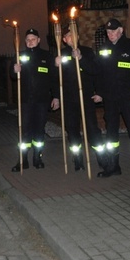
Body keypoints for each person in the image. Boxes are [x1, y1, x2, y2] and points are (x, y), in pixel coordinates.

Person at [92, 18, 130, 179]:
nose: (110, 34)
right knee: (111, 134)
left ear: (121, 31)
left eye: (114, 31)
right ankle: (113, 166)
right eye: (108, 32)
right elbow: (99, 73)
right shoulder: (103, 48)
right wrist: (99, 92)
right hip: (111, 98)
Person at [10, 28, 59, 172]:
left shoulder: (46, 56)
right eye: (28, 40)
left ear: (38, 40)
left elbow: (54, 79)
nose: (30, 42)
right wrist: (15, 70)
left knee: (39, 130)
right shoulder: (20, 55)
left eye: (33, 39)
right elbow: (12, 76)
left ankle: (37, 158)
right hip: (26, 100)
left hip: (42, 100)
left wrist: (56, 96)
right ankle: (23, 160)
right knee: (25, 130)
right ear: (25, 42)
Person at [54, 25, 101, 172]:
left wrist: (80, 58)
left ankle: (102, 157)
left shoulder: (87, 51)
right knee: (72, 130)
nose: (71, 38)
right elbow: (55, 79)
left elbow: (95, 71)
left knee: (92, 129)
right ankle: (78, 158)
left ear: (78, 37)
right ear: (64, 39)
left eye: (74, 35)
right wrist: (55, 66)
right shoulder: (61, 54)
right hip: (69, 99)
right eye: (68, 36)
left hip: (86, 97)